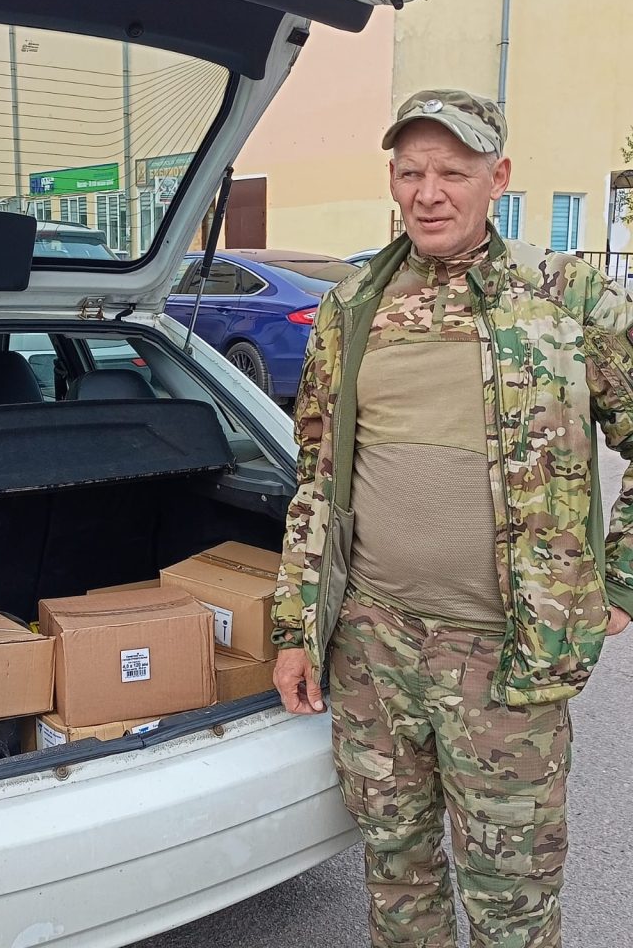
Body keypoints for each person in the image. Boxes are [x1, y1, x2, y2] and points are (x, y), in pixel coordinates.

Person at [271, 88, 633, 948]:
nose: (428, 194)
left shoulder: (566, 296)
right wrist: (297, 627)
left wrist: (620, 577)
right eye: (410, 173)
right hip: (373, 645)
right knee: (396, 872)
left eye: (452, 173)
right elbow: (316, 476)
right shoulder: (353, 306)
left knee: (513, 900)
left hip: (506, 655)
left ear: (496, 178)